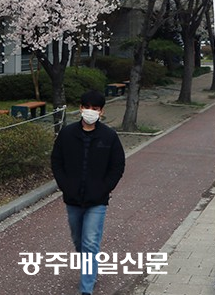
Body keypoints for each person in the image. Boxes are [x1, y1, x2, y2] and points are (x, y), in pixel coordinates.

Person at [51, 89, 126, 295]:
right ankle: (90, 267)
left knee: (90, 241)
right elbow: (56, 161)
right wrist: (65, 185)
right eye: (87, 107)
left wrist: (104, 188)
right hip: (72, 198)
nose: (90, 111)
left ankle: (86, 289)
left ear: (101, 111)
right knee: (79, 240)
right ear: (80, 108)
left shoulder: (109, 136)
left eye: (95, 108)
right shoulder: (67, 134)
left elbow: (117, 166)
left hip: (97, 200)